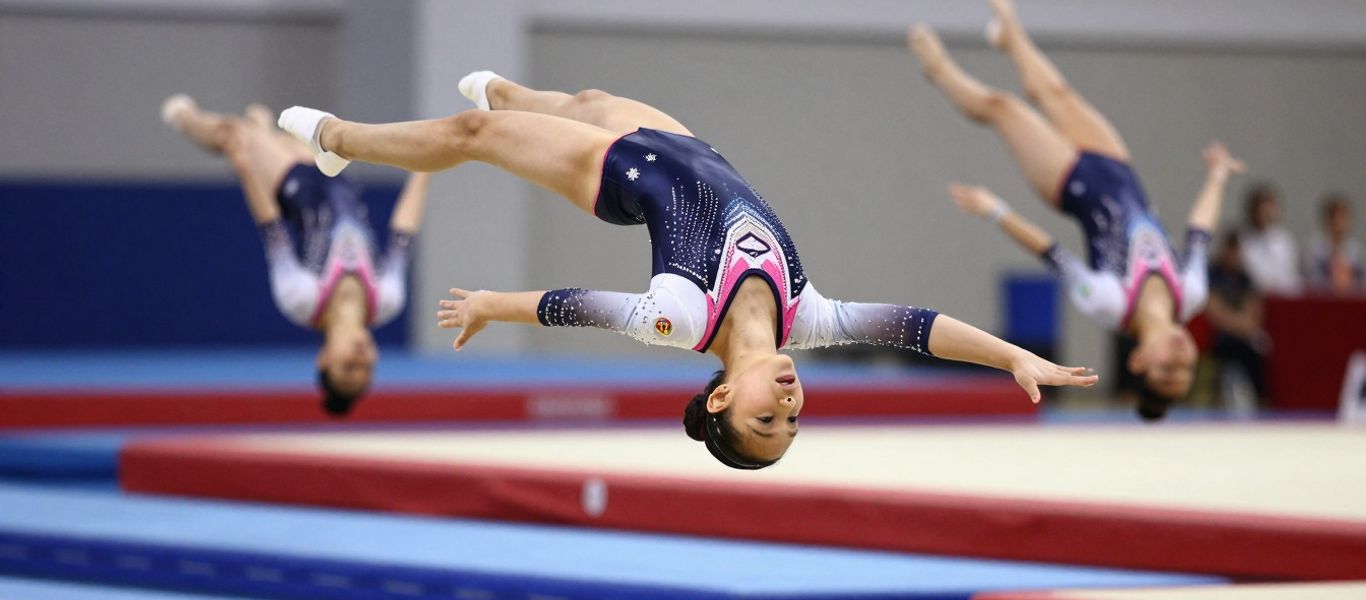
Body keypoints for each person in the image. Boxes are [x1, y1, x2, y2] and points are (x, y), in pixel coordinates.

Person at [275, 71, 1097, 469]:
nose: (789, 407)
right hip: (690, 148)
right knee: (584, 96)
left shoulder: (680, 318)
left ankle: (339, 141)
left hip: (618, 177)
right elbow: (918, 330)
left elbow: (575, 306)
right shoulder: (807, 316)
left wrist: (494, 302)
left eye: (766, 421)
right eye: (794, 422)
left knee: (469, 136)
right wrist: (1012, 358)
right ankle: (505, 89)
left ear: (716, 396)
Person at [910, 0, 1244, 421]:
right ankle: (1009, 32)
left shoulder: (1108, 302)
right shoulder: (1191, 292)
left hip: (1070, 186)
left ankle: (939, 69)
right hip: (1119, 168)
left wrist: (997, 210)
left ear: (1138, 361)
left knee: (1004, 107)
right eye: (1186, 367)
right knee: (1055, 92)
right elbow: (1200, 232)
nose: (1179, 358)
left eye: (1166, 369)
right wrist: (1217, 176)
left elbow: (1051, 253)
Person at [160, 95, 429, 415]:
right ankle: (260, 124)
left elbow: (273, 233)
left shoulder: (302, 300)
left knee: (234, 134)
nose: (359, 362)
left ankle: (184, 119)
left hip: (295, 190)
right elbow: (403, 234)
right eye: (366, 370)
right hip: (336, 179)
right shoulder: (386, 300)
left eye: (347, 369)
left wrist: (244, 168)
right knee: (272, 134)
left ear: (324, 359)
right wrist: (425, 169)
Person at [1205, 232, 1268, 411]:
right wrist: (1239, 324)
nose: (1234, 255)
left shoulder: (1245, 277)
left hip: (1243, 335)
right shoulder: (1213, 274)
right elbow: (1215, 313)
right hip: (1220, 335)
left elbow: (1254, 309)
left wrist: (1245, 325)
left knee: (1256, 353)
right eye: (1231, 251)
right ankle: (1219, 400)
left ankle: (1261, 401)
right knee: (1236, 347)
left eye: (1237, 251)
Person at [1239, 184, 1301, 295]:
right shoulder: (1240, 239)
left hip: (1283, 298)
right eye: (1261, 208)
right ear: (1252, 209)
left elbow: (1290, 274)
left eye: (1269, 208)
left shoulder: (1284, 239)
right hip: (1252, 297)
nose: (1265, 213)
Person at [1305, 194, 1364, 295]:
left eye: (1342, 217)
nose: (1339, 222)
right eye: (1334, 217)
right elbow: (1312, 282)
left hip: (1352, 301)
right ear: (1326, 220)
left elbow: (1362, 281)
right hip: (1323, 301)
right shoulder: (1314, 250)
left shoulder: (1356, 250)